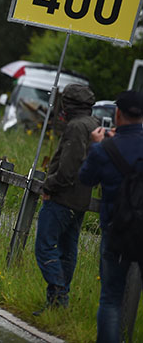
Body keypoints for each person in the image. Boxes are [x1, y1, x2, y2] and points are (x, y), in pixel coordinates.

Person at [79, 90, 143, 343]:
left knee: (111, 298)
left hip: (117, 230)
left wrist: (95, 146)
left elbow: (86, 178)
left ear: (118, 114)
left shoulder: (105, 148)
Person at [33, 84, 98, 314]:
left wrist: (48, 185)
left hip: (62, 198)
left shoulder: (76, 127)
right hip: (81, 199)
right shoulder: (94, 124)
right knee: (68, 250)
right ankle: (58, 305)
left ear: (68, 105)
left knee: (44, 246)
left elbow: (68, 168)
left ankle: (58, 294)